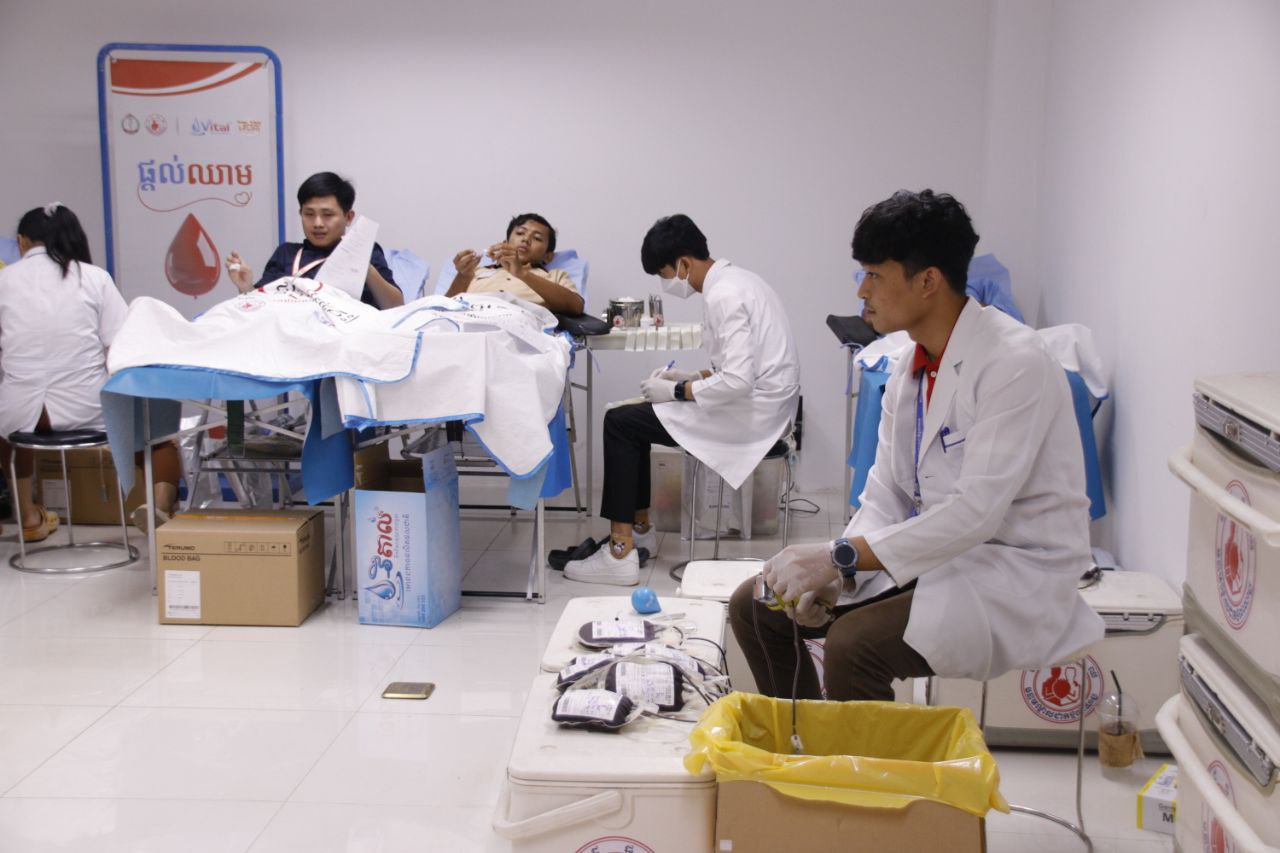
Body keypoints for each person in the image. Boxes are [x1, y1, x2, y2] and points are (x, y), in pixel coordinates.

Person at [729, 189, 1104, 701]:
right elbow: (886, 493)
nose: (862, 290)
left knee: (854, 646)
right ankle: (807, 740)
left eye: (874, 275)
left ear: (927, 281)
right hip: (938, 555)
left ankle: (861, 757)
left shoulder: (1014, 362)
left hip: (1015, 570)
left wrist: (838, 556)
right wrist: (839, 577)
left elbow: (976, 514)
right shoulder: (911, 364)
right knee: (756, 607)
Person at [563, 214, 800, 585]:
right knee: (630, 417)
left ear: (684, 264)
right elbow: (741, 369)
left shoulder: (723, 294)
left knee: (620, 423)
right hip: (762, 406)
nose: (665, 283)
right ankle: (638, 531)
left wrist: (675, 392)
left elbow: (738, 381)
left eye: (664, 273)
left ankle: (620, 553)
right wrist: (690, 378)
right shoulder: (742, 280)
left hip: (751, 417)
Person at [0, 204, 182, 540]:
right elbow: (122, 345)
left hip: (19, 414)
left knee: (8, 425)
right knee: (158, 426)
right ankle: (159, 505)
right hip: (87, 410)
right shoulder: (94, 278)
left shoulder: (4, 280)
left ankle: (27, 517)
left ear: (23, 241)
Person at [225, 172, 403, 309]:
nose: (317, 223)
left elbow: (395, 307)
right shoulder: (286, 253)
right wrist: (245, 287)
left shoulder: (366, 252)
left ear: (348, 217)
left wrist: (365, 268)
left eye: (327, 215)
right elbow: (259, 308)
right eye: (309, 214)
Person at [445, 213, 584, 314]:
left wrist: (522, 274)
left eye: (537, 238)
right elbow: (443, 308)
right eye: (520, 233)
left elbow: (576, 307)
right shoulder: (475, 272)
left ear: (548, 256)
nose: (525, 239)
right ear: (505, 243)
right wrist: (462, 276)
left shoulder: (555, 276)